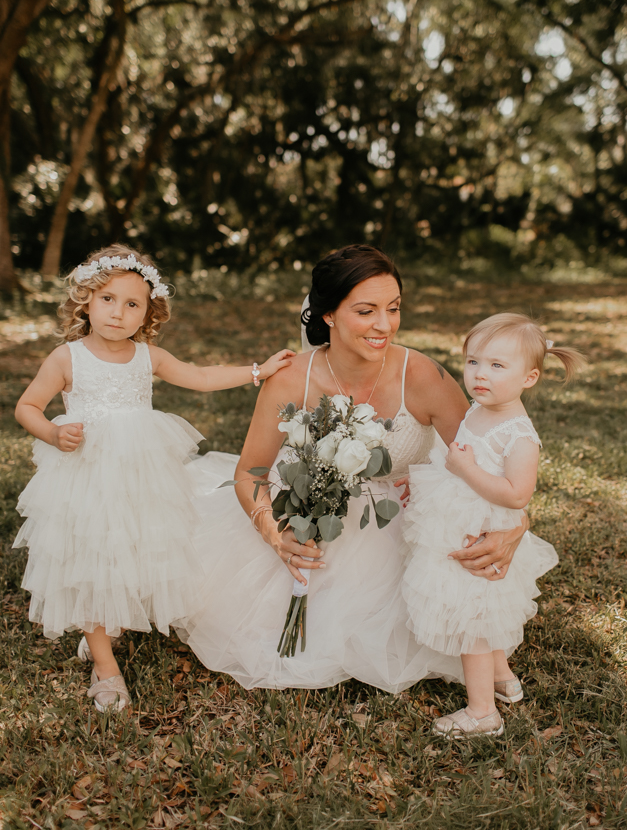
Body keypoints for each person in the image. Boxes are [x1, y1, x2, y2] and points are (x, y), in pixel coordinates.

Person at [183, 245, 530, 691]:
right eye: (366, 311)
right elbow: (250, 472)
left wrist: (517, 526)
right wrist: (274, 533)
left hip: (402, 519)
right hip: (307, 514)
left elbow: (494, 464)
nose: (384, 325)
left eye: (394, 308)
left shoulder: (422, 375)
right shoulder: (290, 379)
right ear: (328, 314)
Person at [13, 245, 293, 713]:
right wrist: (52, 430)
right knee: (91, 561)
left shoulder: (148, 357)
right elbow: (26, 406)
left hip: (142, 477)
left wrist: (256, 372)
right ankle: (105, 666)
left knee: (135, 550)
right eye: (107, 299)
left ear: (147, 312)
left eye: (131, 304)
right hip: (86, 476)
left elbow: (200, 376)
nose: (118, 313)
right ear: (86, 300)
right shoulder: (68, 358)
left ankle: (108, 623)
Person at [402, 313, 584, 736]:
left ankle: (482, 712)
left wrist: (464, 469)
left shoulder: (518, 434)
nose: (480, 375)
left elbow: (518, 494)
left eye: (497, 366)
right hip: (458, 523)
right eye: (473, 362)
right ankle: (502, 678)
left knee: (473, 621)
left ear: (530, 378)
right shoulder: (481, 409)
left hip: (482, 534)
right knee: (480, 611)